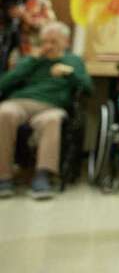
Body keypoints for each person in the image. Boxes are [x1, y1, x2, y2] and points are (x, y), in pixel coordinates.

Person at [0, 21, 91, 198]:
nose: (48, 46)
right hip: (20, 102)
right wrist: (32, 61)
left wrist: (70, 73)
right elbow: (4, 84)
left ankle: (42, 176)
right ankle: (4, 176)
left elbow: (87, 88)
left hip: (52, 106)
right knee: (4, 113)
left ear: (65, 42)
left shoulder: (73, 61)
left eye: (53, 41)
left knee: (52, 120)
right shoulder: (30, 60)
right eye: (45, 42)